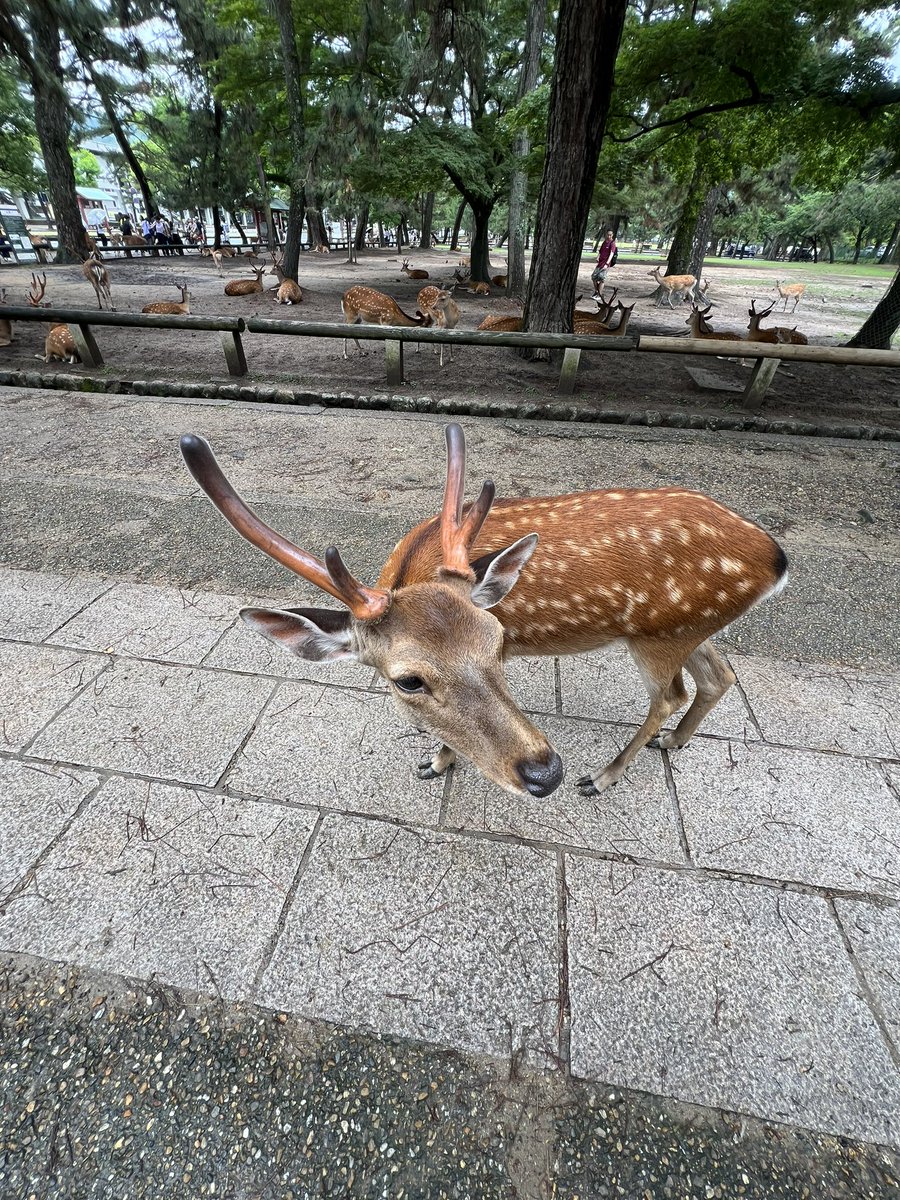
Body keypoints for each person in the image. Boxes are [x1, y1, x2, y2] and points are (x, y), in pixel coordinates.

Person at [591, 229, 618, 297]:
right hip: (600, 262)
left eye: (610, 235)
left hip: (606, 263)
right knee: (594, 277)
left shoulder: (612, 243)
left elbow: (611, 254)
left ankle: (600, 294)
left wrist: (607, 263)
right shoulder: (604, 242)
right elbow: (600, 251)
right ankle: (596, 291)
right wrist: (598, 257)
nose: (609, 236)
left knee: (602, 279)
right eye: (608, 235)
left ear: (612, 235)